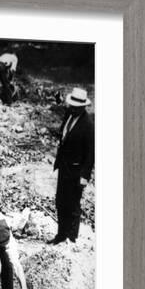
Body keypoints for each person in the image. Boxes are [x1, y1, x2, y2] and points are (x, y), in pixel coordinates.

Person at [50, 87, 94, 244]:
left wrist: (85, 176)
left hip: (76, 171)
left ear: (83, 107)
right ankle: (61, 235)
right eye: (72, 106)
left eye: (76, 107)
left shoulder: (88, 125)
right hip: (64, 167)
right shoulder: (69, 114)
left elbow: (91, 153)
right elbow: (64, 135)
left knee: (73, 205)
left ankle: (71, 238)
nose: (73, 109)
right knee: (60, 201)